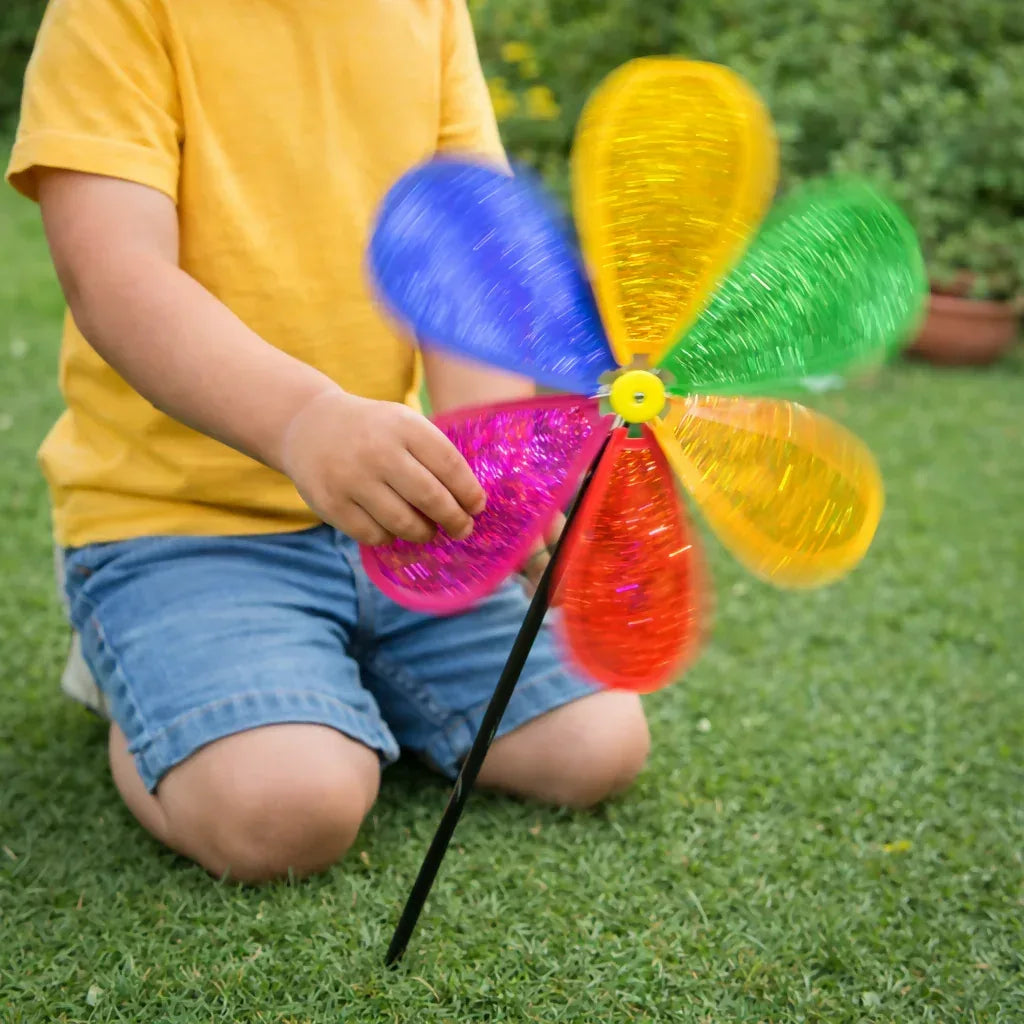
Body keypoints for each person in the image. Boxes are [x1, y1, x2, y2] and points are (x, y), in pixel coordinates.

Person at [6, 0, 650, 882]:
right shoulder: (120, 9)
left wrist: (498, 470)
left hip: (396, 514)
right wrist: (301, 420)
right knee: (291, 810)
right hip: (181, 528)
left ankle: (315, 672)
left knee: (598, 743)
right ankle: (139, 675)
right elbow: (115, 274)